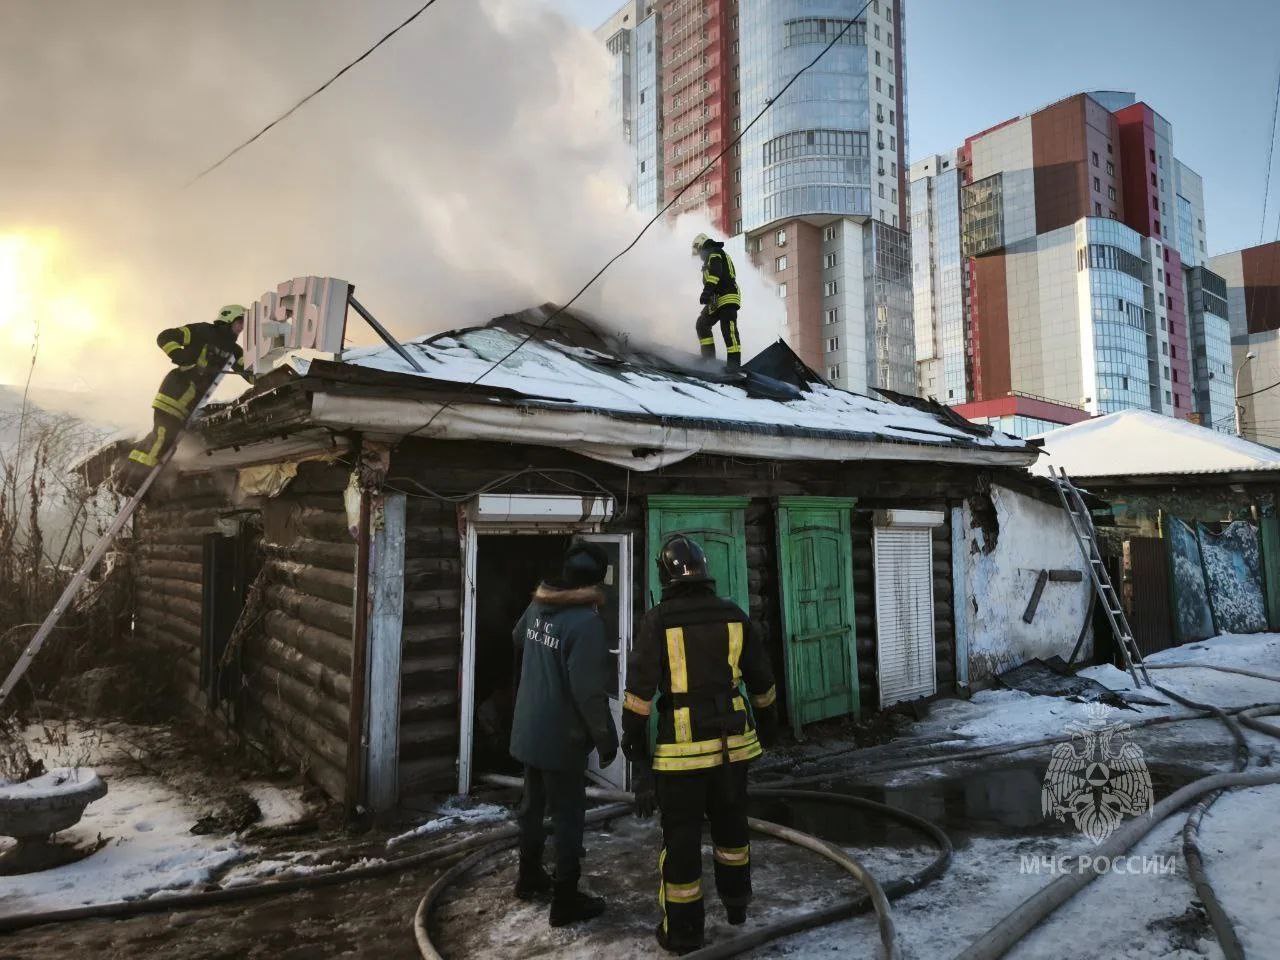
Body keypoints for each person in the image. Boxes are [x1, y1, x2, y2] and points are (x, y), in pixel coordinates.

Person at [622, 534, 779, 955]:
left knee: (682, 841)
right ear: (705, 572)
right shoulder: (734, 615)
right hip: (734, 748)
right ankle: (737, 905)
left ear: (665, 576)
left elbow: (638, 698)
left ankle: (684, 932)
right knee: (732, 830)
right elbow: (762, 682)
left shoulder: (657, 621)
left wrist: (636, 757)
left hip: (681, 757)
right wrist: (768, 726)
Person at [509, 541, 619, 927]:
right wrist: (606, 738)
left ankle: (528, 876)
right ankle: (565, 900)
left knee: (532, 806)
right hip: (561, 737)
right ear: (597, 581)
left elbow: (518, 637)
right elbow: (588, 692)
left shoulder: (539, 605)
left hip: (529, 728)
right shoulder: (586, 624)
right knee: (568, 816)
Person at [121, 304, 255, 492]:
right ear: (228, 319)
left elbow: (249, 372)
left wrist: (264, 374)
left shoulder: (234, 351)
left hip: (190, 402)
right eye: (240, 322)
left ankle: (125, 476)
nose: (242, 327)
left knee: (159, 437)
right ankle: (134, 483)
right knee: (163, 439)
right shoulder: (203, 331)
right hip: (175, 393)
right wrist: (179, 354)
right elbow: (165, 336)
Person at [691, 233, 743, 370]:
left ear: (701, 246)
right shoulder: (709, 257)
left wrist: (706, 292)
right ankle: (708, 358)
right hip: (716, 300)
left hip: (728, 295)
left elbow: (716, 273)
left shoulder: (715, 252)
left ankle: (733, 365)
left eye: (699, 253)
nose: (700, 257)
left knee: (728, 329)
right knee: (702, 324)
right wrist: (710, 295)